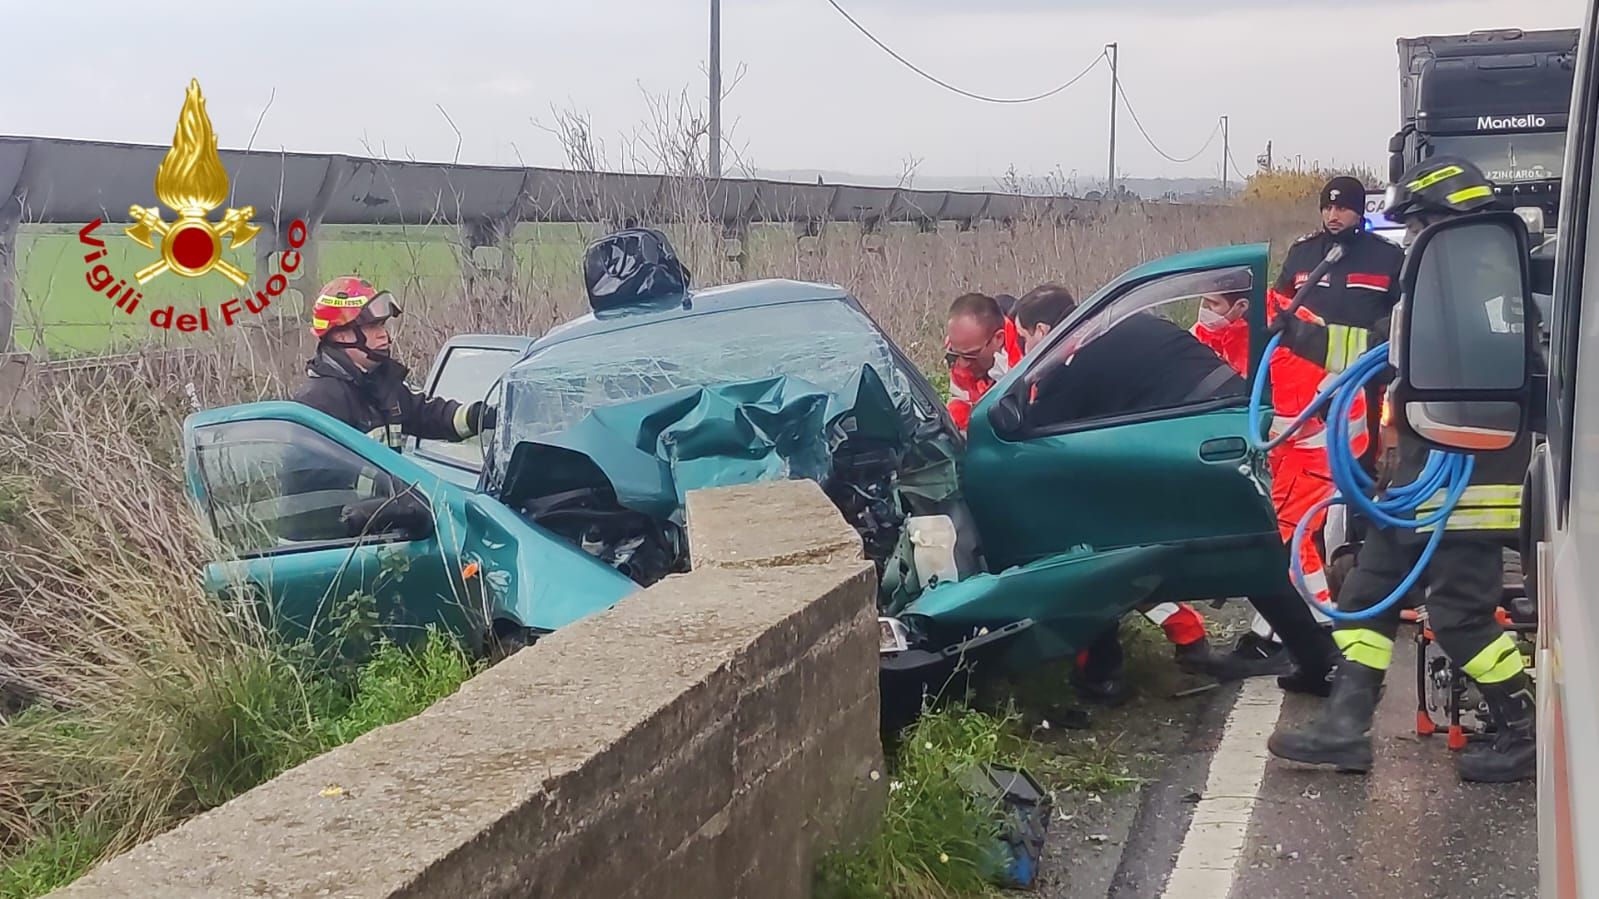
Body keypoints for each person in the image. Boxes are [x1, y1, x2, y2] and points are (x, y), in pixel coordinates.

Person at [1268, 157, 1536, 783]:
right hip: (1417, 476)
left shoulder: (1480, 281)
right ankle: (1344, 729)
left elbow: (1414, 358)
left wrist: (1313, 341)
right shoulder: (1460, 280)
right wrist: (1302, 337)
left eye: (1417, 225)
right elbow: (1389, 349)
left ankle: (1523, 732)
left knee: (1461, 615)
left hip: (1466, 478)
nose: (1411, 239)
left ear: (1446, 219)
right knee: (1365, 596)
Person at [1013, 283, 1318, 696]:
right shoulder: (1127, 326)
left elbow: (1032, 433)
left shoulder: (1075, 363)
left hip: (1204, 438)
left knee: (1109, 547)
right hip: (1227, 424)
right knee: (1246, 554)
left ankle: (1102, 673)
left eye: (1024, 337)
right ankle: (1318, 661)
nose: (1026, 348)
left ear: (1045, 329)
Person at [1222, 177, 1406, 690]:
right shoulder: (1305, 256)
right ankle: (1311, 613)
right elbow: (1278, 318)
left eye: (1343, 210)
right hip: (1302, 395)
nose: (1334, 218)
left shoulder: (1386, 260)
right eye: (1328, 210)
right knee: (1304, 511)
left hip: (1359, 390)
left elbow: (1396, 327)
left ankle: (1339, 587)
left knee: (1351, 485)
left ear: (1358, 213)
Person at [292, 275, 495, 449]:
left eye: (382, 325)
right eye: (372, 327)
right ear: (341, 335)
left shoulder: (379, 384)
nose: (383, 335)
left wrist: (485, 416)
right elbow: (316, 483)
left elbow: (429, 415)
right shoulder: (319, 401)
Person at [944, 293, 1023, 432]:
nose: (962, 364)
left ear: (998, 338)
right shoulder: (960, 353)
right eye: (955, 354)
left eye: (971, 356)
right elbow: (960, 403)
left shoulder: (1027, 363)